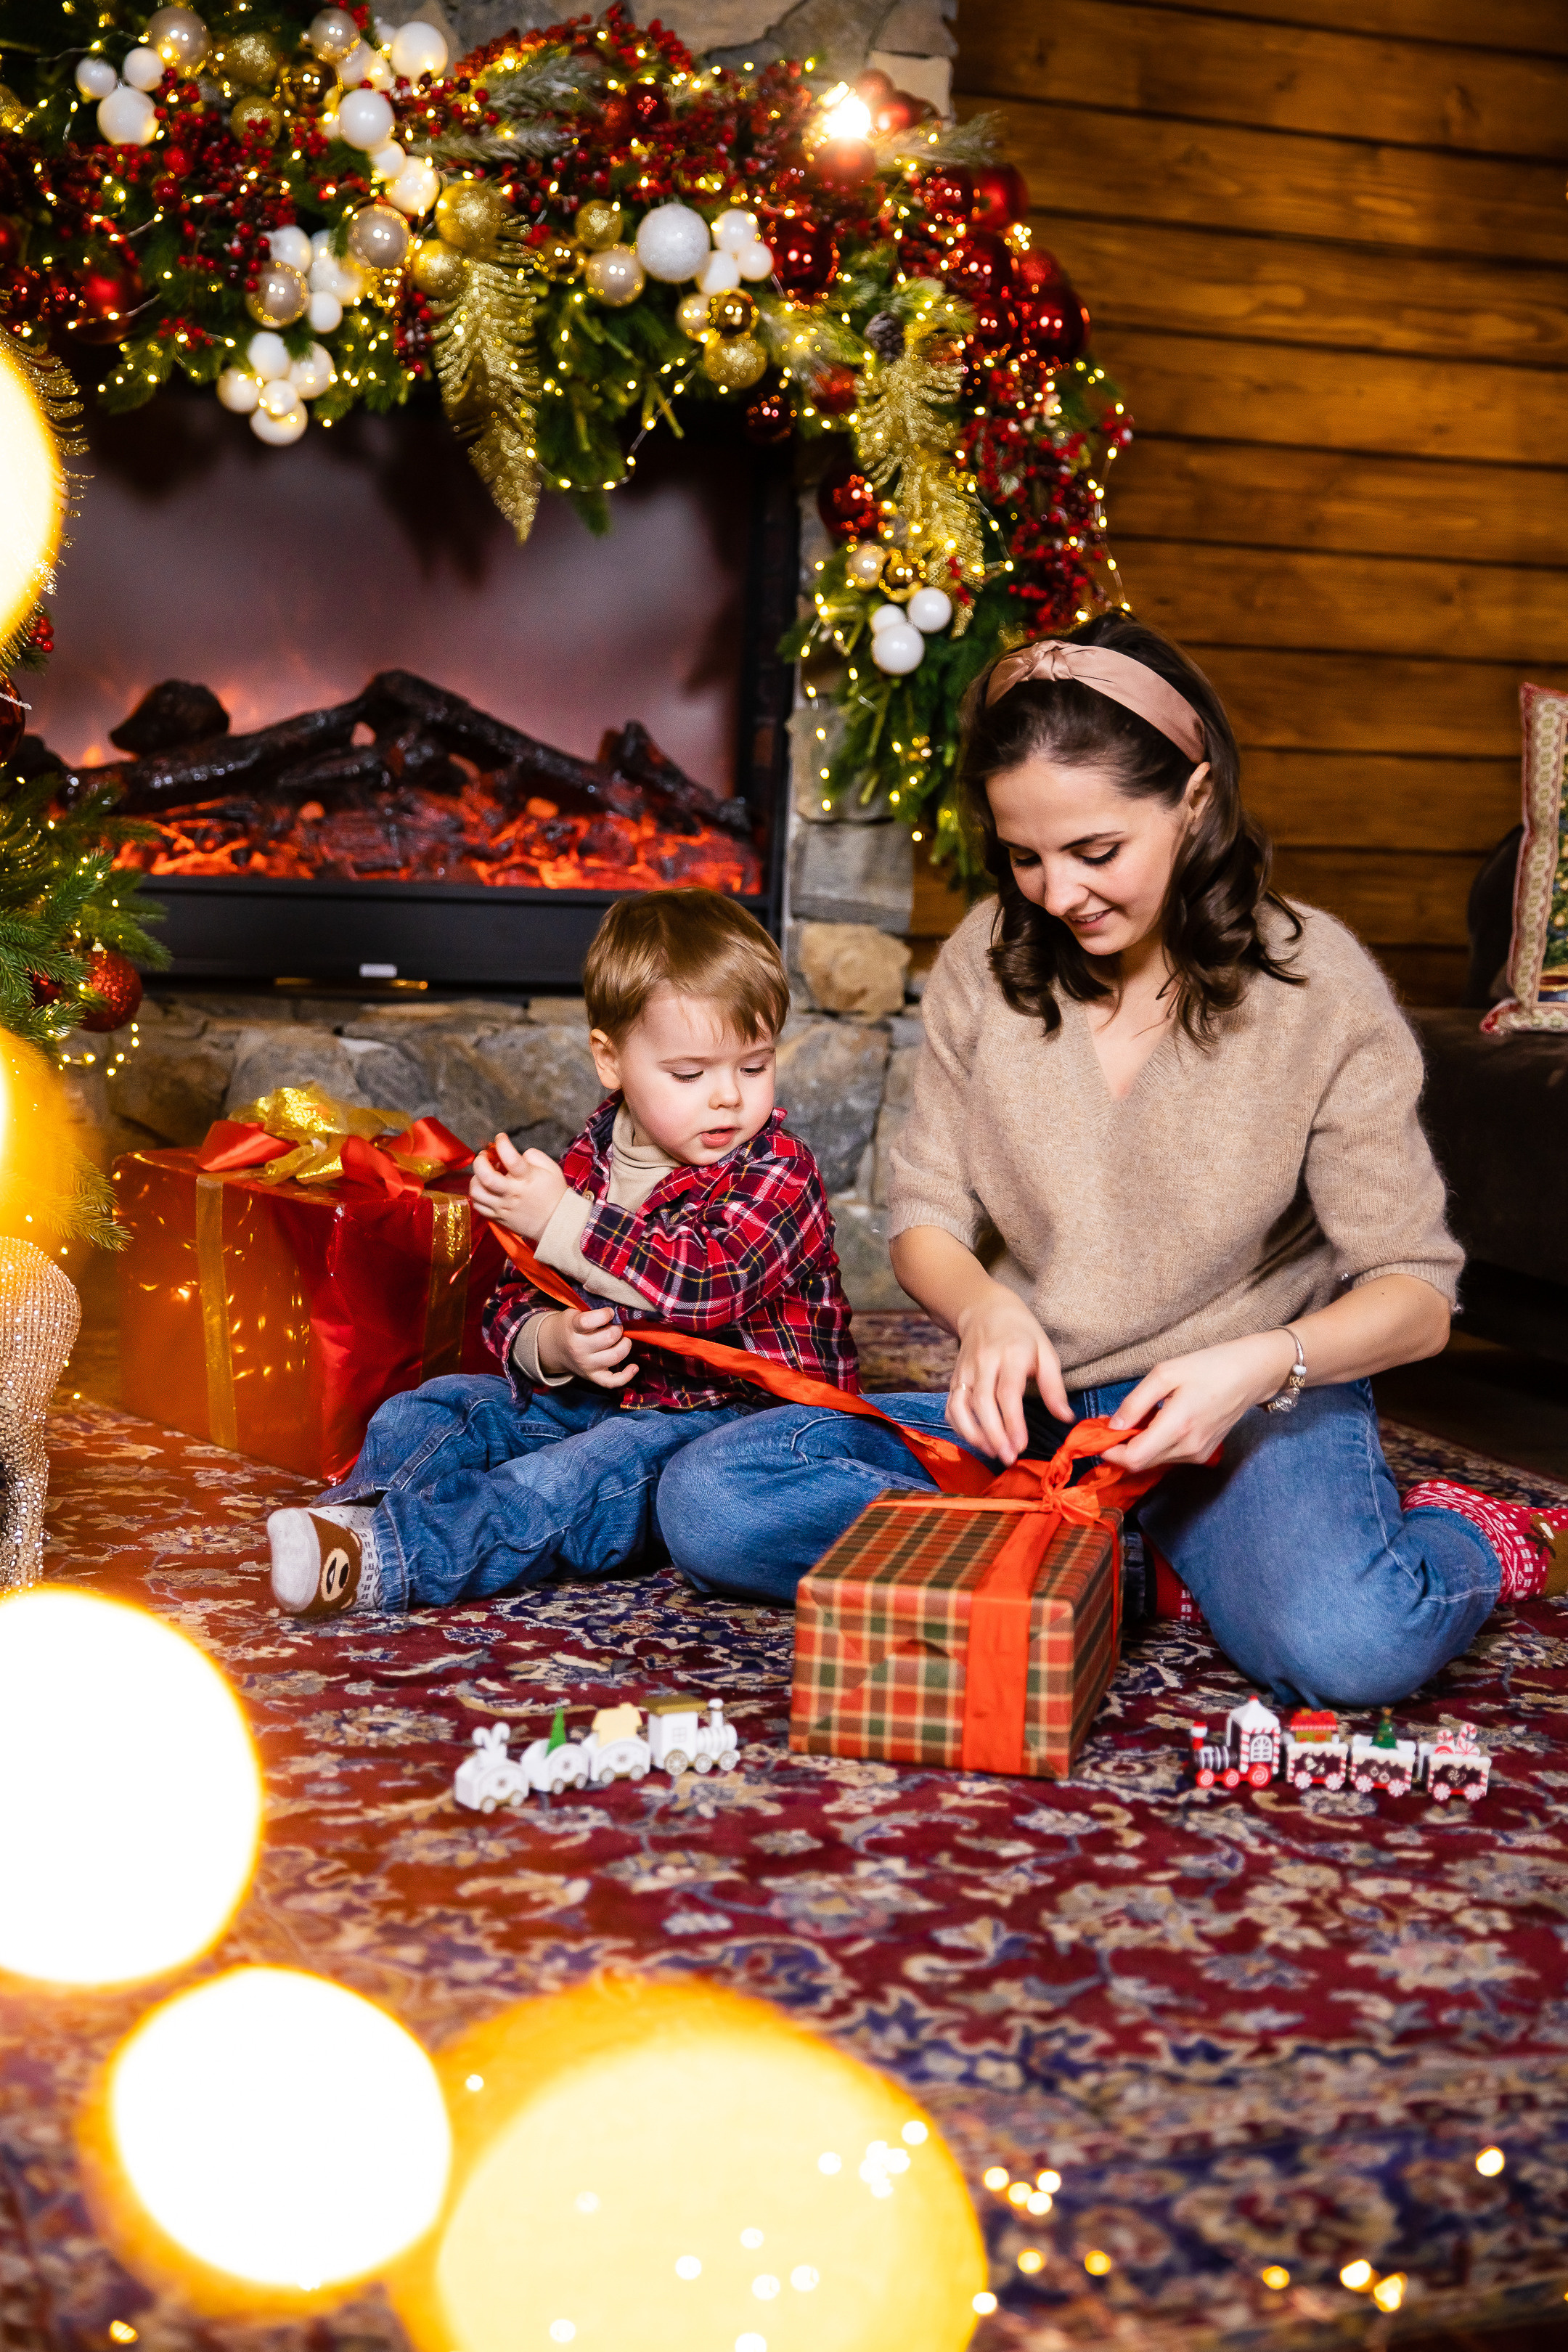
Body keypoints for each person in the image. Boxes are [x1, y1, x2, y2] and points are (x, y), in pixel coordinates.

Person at [657, 616, 1567, 1707]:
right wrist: (987, 1313)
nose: (1056, 894)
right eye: (1024, 855)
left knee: (1350, 1644)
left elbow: (1417, 1298)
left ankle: (1477, 1538)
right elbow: (924, 1222)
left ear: (1195, 799)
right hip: (1053, 1418)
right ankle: (1153, 1565)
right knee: (716, 1502)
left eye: (1096, 852)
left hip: (1251, 1407)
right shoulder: (982, 965)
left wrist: (1254, 1364)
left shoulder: (1317, 987)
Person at [264, 889, 855, 1615]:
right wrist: (551, 1343)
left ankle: (394, 1557)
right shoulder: (589, 1157)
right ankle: (355, 1517)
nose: (728, 1098)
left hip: (735, 1423)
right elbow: (513, 1300)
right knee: (435, 1410)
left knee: (574, 1476)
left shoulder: (778, 1168)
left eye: (754, 1067)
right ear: (611, 1060)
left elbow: (706, 1283)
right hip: (603, 1399)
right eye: (691, 1074)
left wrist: (566, 1221)